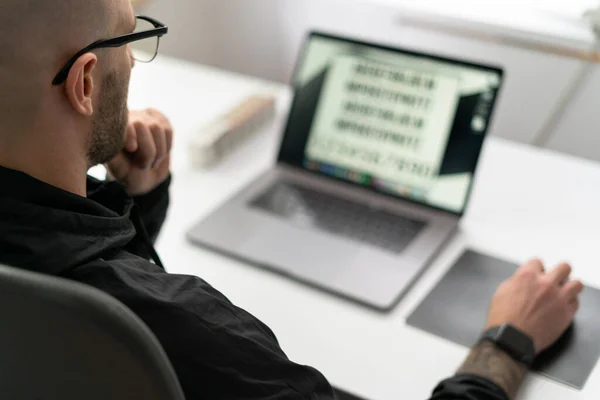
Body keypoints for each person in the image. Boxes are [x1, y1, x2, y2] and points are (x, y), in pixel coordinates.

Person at [0, 1, 584, 399]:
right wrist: (505, 341)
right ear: (83, 83)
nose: (132, 57)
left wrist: (133, 196)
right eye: (130, 34)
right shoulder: (184, 324)